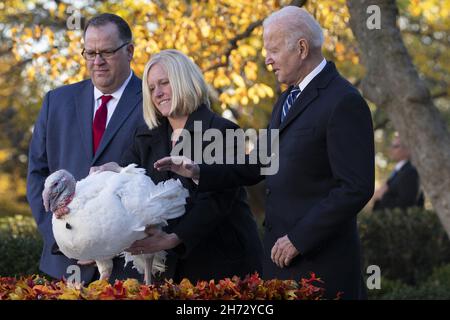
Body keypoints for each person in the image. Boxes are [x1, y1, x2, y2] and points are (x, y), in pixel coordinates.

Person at [155, 7, 374, 299]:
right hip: (280, 265)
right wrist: (198, 171)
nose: (267, 59)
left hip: (322, 267)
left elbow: (355, 188)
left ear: (301, 48)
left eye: (272, 50)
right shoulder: (286, 99)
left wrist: (298, 238)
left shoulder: (344, 101)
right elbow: (258, 163)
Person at [93, 49, 263, 283]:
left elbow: (216, 202)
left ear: (185, 80)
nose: (158, 93)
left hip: (219, 265)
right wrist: (108, 177)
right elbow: (126, 182)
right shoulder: (144, 136)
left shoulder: (223, 131)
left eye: (164, 83)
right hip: (166, 268)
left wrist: (173, 238)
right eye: (151, 88)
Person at [26, 13, 145, 283]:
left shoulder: (155, 101)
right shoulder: (56, 102)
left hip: (129, 266)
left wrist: (110, 242)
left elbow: (157, 175)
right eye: (89, 53)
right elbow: (37, 176)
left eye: (106, 52)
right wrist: (68, 238)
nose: (97, 61)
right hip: (65, 265)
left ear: (129, 51)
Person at [373, 135, 424, 211]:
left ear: (407, 149)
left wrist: (382, 195)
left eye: (395, 146)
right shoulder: (398, 171)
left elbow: (406, 204)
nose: (391, 149)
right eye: (391, 146)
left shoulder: (410, 172)